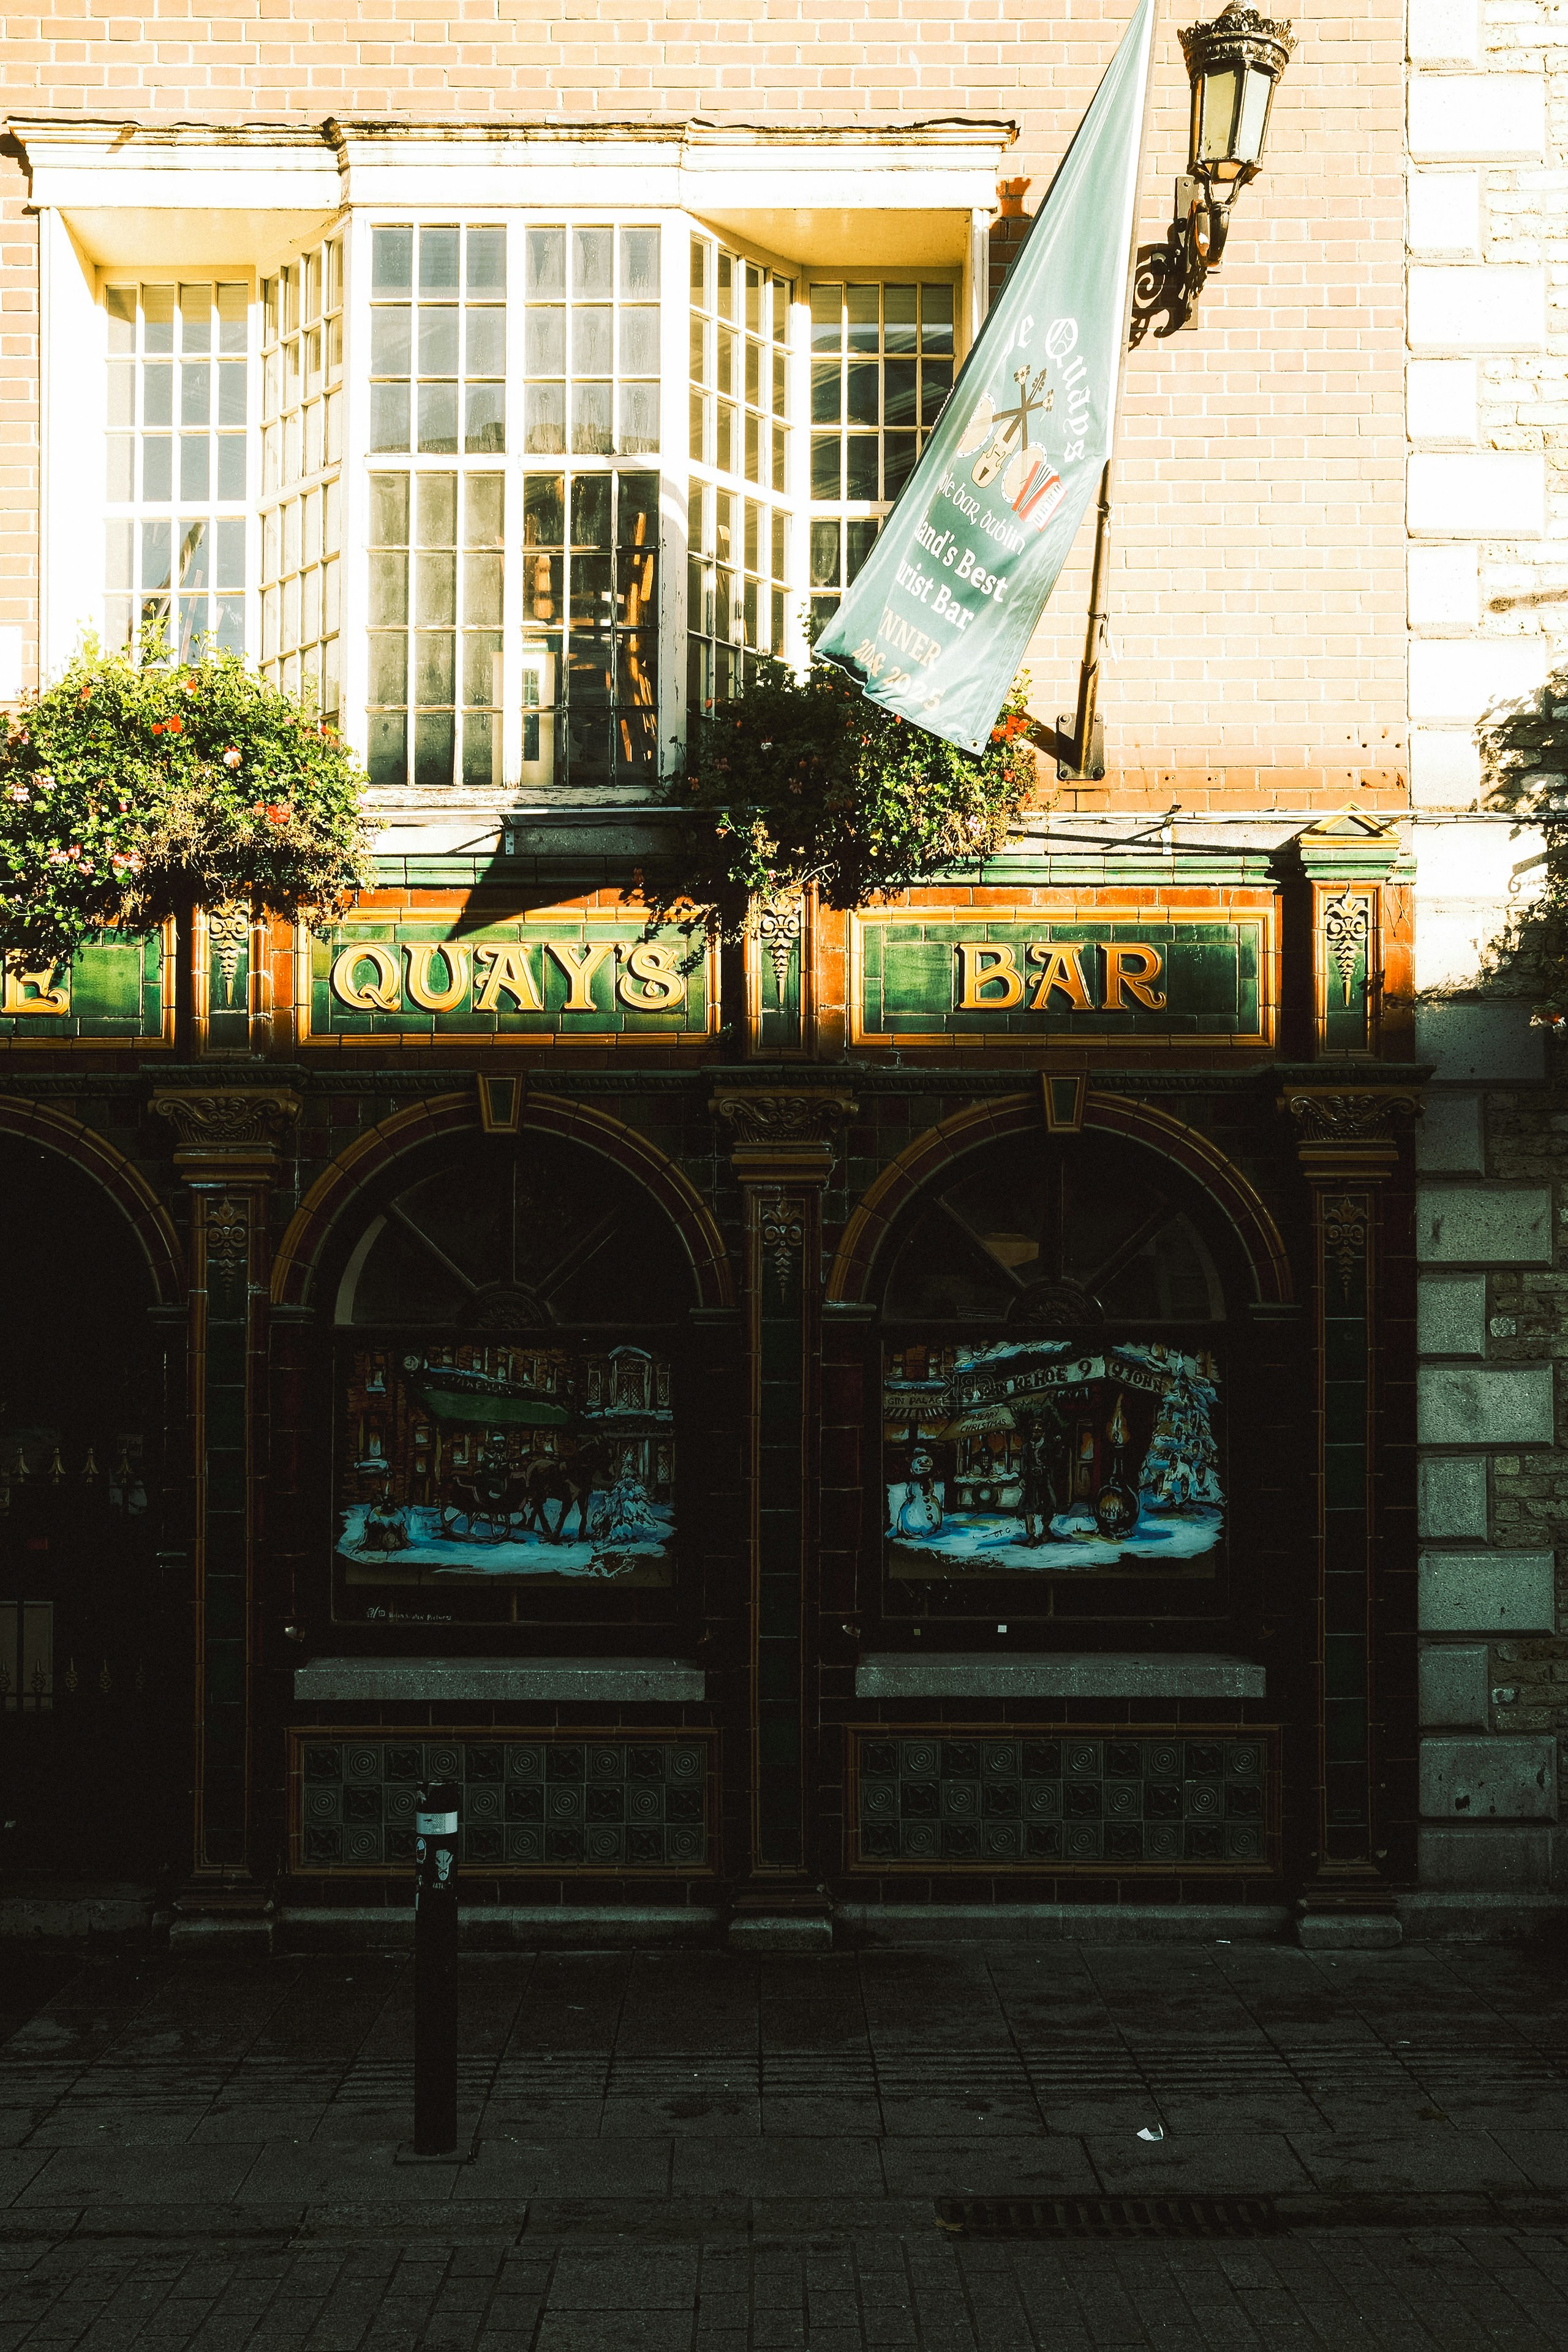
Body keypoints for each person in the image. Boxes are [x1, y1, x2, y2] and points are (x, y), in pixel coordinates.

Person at [894, 1448, 943, 1538]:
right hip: (916, 1506)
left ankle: (930, 1529)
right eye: (919, 1461)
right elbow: (910, 1493)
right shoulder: (914, 1483)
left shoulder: (929, 1480)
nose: (923, 1464)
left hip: (929, 1504)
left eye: (926, 1461)